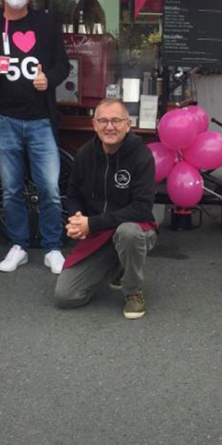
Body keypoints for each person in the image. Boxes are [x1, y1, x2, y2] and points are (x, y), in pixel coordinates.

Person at [0, 0, 69, 274]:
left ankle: (53, 247)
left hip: (41, 119)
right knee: (11, 188)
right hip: (4, 119)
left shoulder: (46, 23)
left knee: (50, 188)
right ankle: (19, 245)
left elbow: (62, 66)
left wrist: (49, 80)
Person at [54, 98, 157, 319]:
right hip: (99, 234)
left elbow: (142, 209)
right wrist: (76, 218)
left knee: (127, 233)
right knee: (66, 296)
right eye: (103, 121)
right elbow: (72, 194)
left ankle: (133, 292)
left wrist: (91, 224)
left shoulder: (141, 156)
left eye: (116, 121)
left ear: (128, 125)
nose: (109, 127)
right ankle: (116, 265)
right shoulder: (84, 154)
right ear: (94, 124)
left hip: (135, 230)